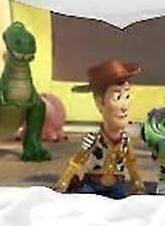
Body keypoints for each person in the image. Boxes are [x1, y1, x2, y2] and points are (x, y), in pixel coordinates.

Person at [56, 60, 146, 196]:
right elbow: (77, 162)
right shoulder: (93, 138)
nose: (124, 106)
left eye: (127, 96)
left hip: (116, 186)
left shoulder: (125, 141)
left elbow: (131, 165)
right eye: (117, 97)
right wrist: (63, 182)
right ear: (99, 103)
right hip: (93, 184)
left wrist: (138, 185)